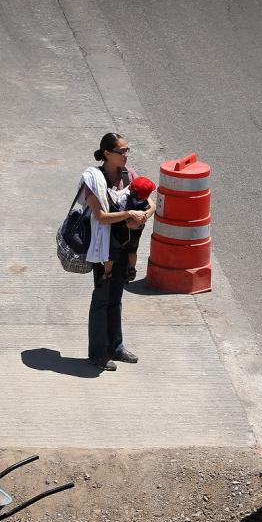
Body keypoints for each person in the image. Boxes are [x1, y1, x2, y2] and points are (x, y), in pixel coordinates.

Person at [78, 132, 156, 371]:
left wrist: (142, 216)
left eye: (127, 150)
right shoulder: (94, 179)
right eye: (121, 151)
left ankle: (116, 347)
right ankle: (98, 353)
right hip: (103, 250)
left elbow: (151, 202)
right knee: (101, 299)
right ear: (107, 154)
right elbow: (101, 217)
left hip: (124, 246)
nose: (126, 155)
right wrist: (127, 215)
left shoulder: (129, 175)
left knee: (117, 299)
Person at [100, 175, 156, 284]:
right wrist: (142, 219)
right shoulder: (144, 202)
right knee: (132, 251)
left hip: (119, 232)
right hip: (136, 232)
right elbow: (151, 206)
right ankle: (132, 269)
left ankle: (107, 273)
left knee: (110, 255)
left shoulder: (123, 198)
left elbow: (116, 210)